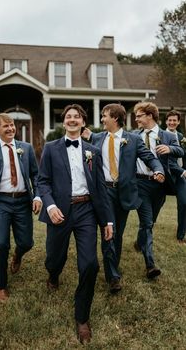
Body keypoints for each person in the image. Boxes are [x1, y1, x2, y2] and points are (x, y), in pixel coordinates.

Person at [38, 104, 113, 345]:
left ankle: (82, 318)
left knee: (90, 264)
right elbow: (43, 181)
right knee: (54, 257)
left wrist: (107, 220)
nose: (72, 120)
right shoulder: (50, 148)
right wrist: (50, 206)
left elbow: (100, 187)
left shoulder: (93, 150)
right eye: (68, 117)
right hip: (59, 209)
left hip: (86, 210)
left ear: (83, 122)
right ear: (64, 122)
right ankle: (53, 273)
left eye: (76, 117)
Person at [82, 103, 165, 289]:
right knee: (108, 231)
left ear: (116, 118)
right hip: (104, 191)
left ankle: (113, 265)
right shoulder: (97, 138)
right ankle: (112, 276)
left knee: (117, 233)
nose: (102, 119)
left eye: (105, 116)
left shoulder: (133, 140)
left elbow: (150, 158)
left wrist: (159, 170)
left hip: (124, 192)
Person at [0, 113, 41, 303]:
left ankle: (18, 255)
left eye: (12, 125)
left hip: (22, 202)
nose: (11, 129)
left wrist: (37, 195)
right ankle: (1, 285)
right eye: (6, 126)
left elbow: (35, 176)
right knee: (0, 244)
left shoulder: (26, 148)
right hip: (0, 202)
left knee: (27, 243)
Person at [134, 102, 184, 277]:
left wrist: (170, 148)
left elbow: (181, 151)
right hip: (140, 183)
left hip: (161, 186)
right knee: (147, 222)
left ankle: (140, 242)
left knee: (150, 220)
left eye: (139, 115)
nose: (136, 119)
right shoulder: (133, 135)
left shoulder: (166, 135)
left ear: (149, 116)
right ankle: (150, 265)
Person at [165, 109, 186, 244]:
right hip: (166, 175)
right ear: (166, 121)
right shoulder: (161, 136)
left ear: (178, 122)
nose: (172, 122)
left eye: (174, 120)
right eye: (170, 120)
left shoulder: (181, 136)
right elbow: (166, 160)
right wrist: (181, 171)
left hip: (180, 176)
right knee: (156, 205)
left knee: (184, 203)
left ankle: (180, 236)